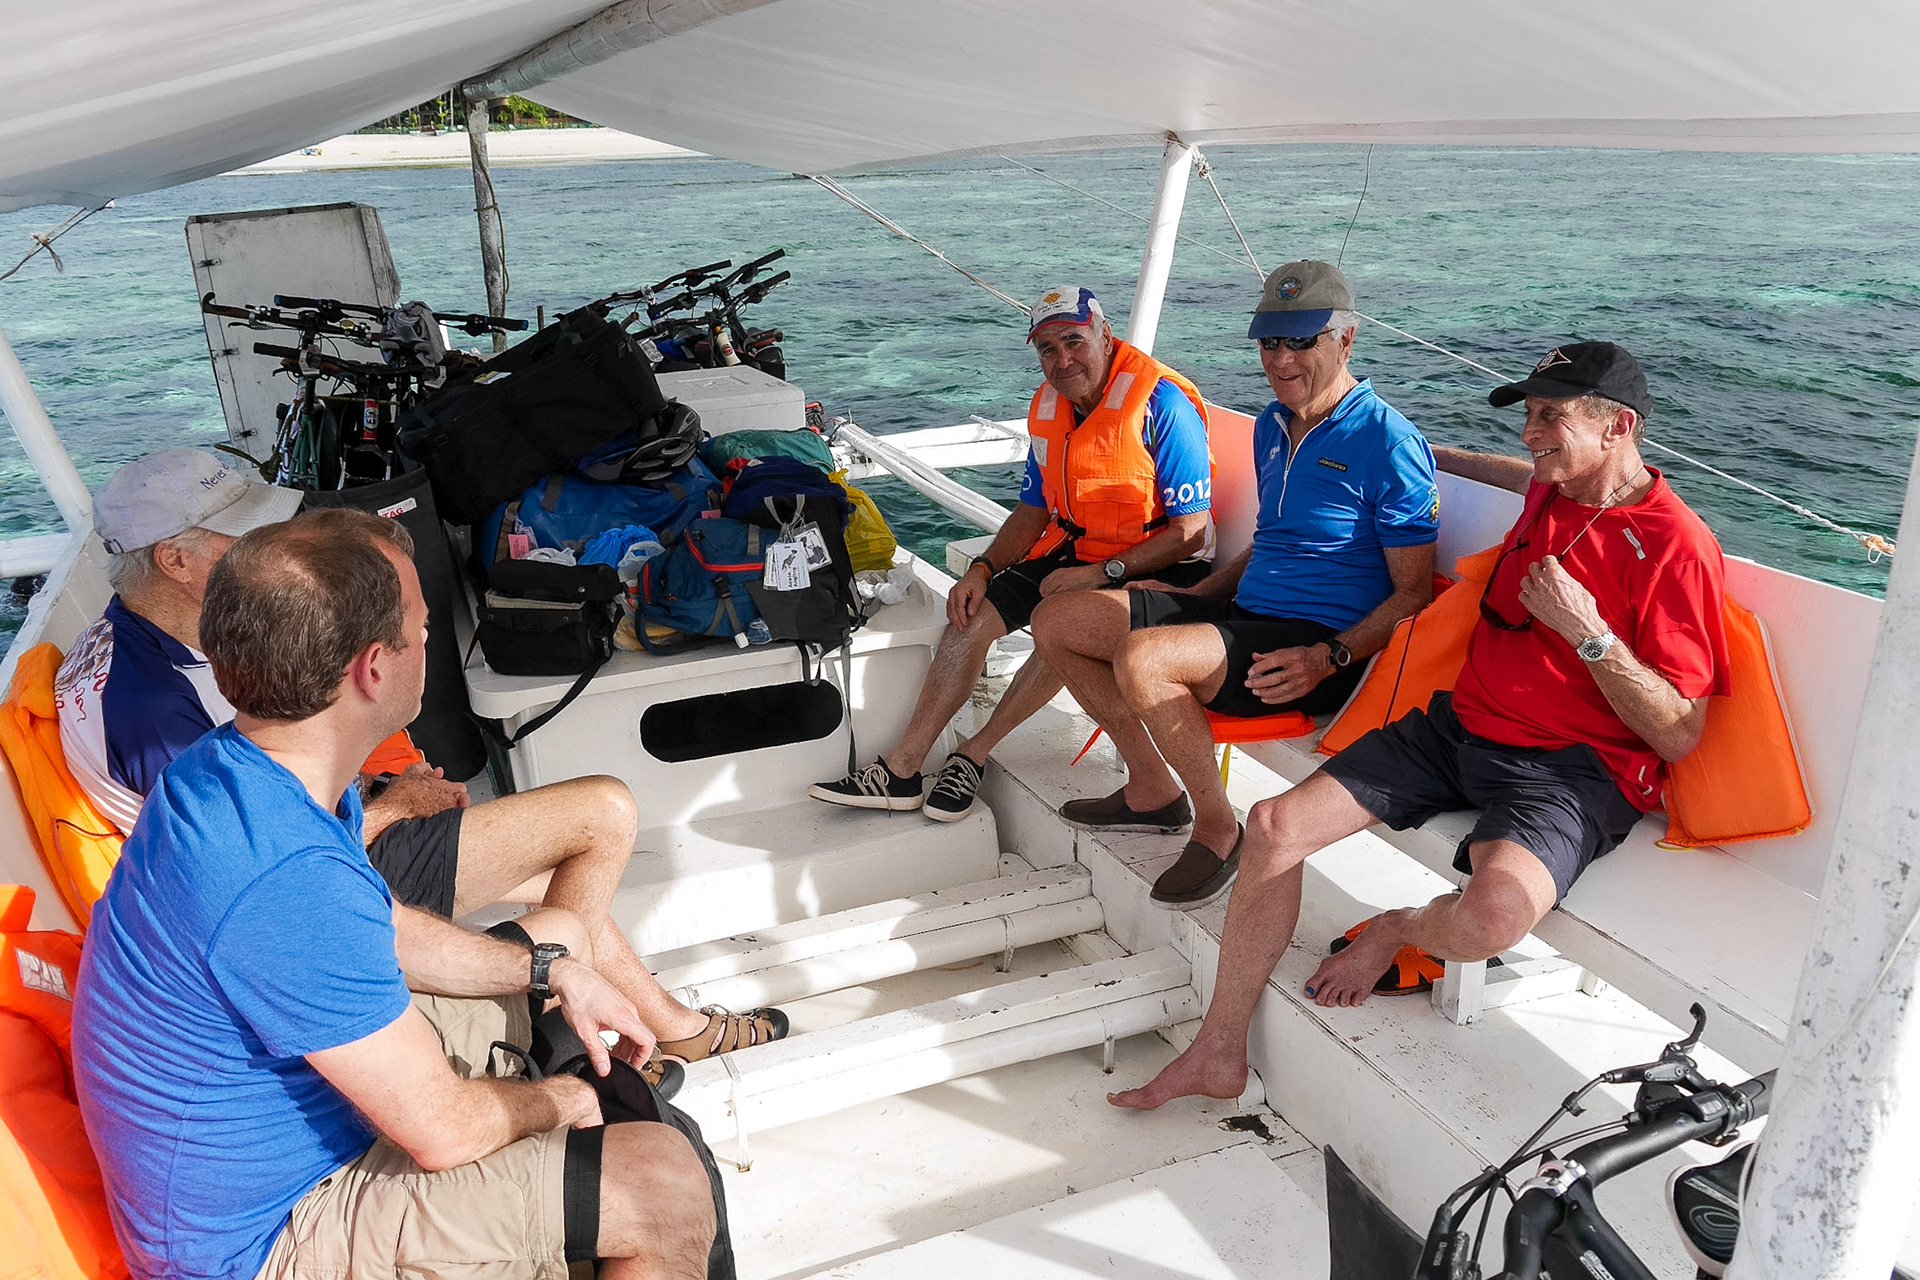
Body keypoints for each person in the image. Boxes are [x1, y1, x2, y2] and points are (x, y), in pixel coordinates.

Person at [72, 514, 716, 1280]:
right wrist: (558, 1103)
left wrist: (548, 970)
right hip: (265, 1237)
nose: (430, 641)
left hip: (299, 1124)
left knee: (563, 934)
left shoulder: (247, 765)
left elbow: (380, 923)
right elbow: (441, 1131)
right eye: (421, 630)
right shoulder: (279, 876)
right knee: (663, 1183)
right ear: (374, 669)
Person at [1108, 340, 1730, 1110]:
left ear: (1619, 426)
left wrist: (1588, 632)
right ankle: (1218, 1049)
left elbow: (1679, 733)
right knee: (1272, 825)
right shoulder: (1555, 486)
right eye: (1528, 415)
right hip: (1457, 730)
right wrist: (1423, 449)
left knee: (1493, 918)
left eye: (1551, 417)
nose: (1531, 435)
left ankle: (1397, 929)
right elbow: (1512, 472)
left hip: (1574, 771)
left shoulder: (1676, 547)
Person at [54, 450, 784, 1068]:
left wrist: (379, 788)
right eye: (239, 538)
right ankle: (556, 1024)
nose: (264, 548)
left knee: (551, 875)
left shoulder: (145, 645)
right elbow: (250, 871)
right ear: (173, 559)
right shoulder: (156, 713)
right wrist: (391, 808)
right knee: (599, 814)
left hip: (310, 839)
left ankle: (657, 1027)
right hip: (297, 897)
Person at [1034, 261, 1438, 909]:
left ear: (1346, 339)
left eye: (1300, 341)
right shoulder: (1272, 428)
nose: (1280, 359)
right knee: (1059, 620)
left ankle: (1219, 827)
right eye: (1269, 342)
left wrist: (1328, 656)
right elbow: (1269, 540)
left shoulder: (1388, 442)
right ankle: (1150, 790)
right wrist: (1204, 595)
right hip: (1242, 622)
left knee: (1145, 658)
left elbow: (1413, 592)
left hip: (1311, 651)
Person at [809, 285, 1215, 821]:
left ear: (1105, 336)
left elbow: (1191, 532)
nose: (1062, 359)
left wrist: (1101, 574)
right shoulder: (1050, 407)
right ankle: (902, 769)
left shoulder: (1161, 404)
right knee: (968, 617)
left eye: (1074, 340)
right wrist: (983, 568)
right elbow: (1032, 510)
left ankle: (972, 754)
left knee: (1058, 621)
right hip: (1081, 548)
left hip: (1158, 565)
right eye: (1047, 348)